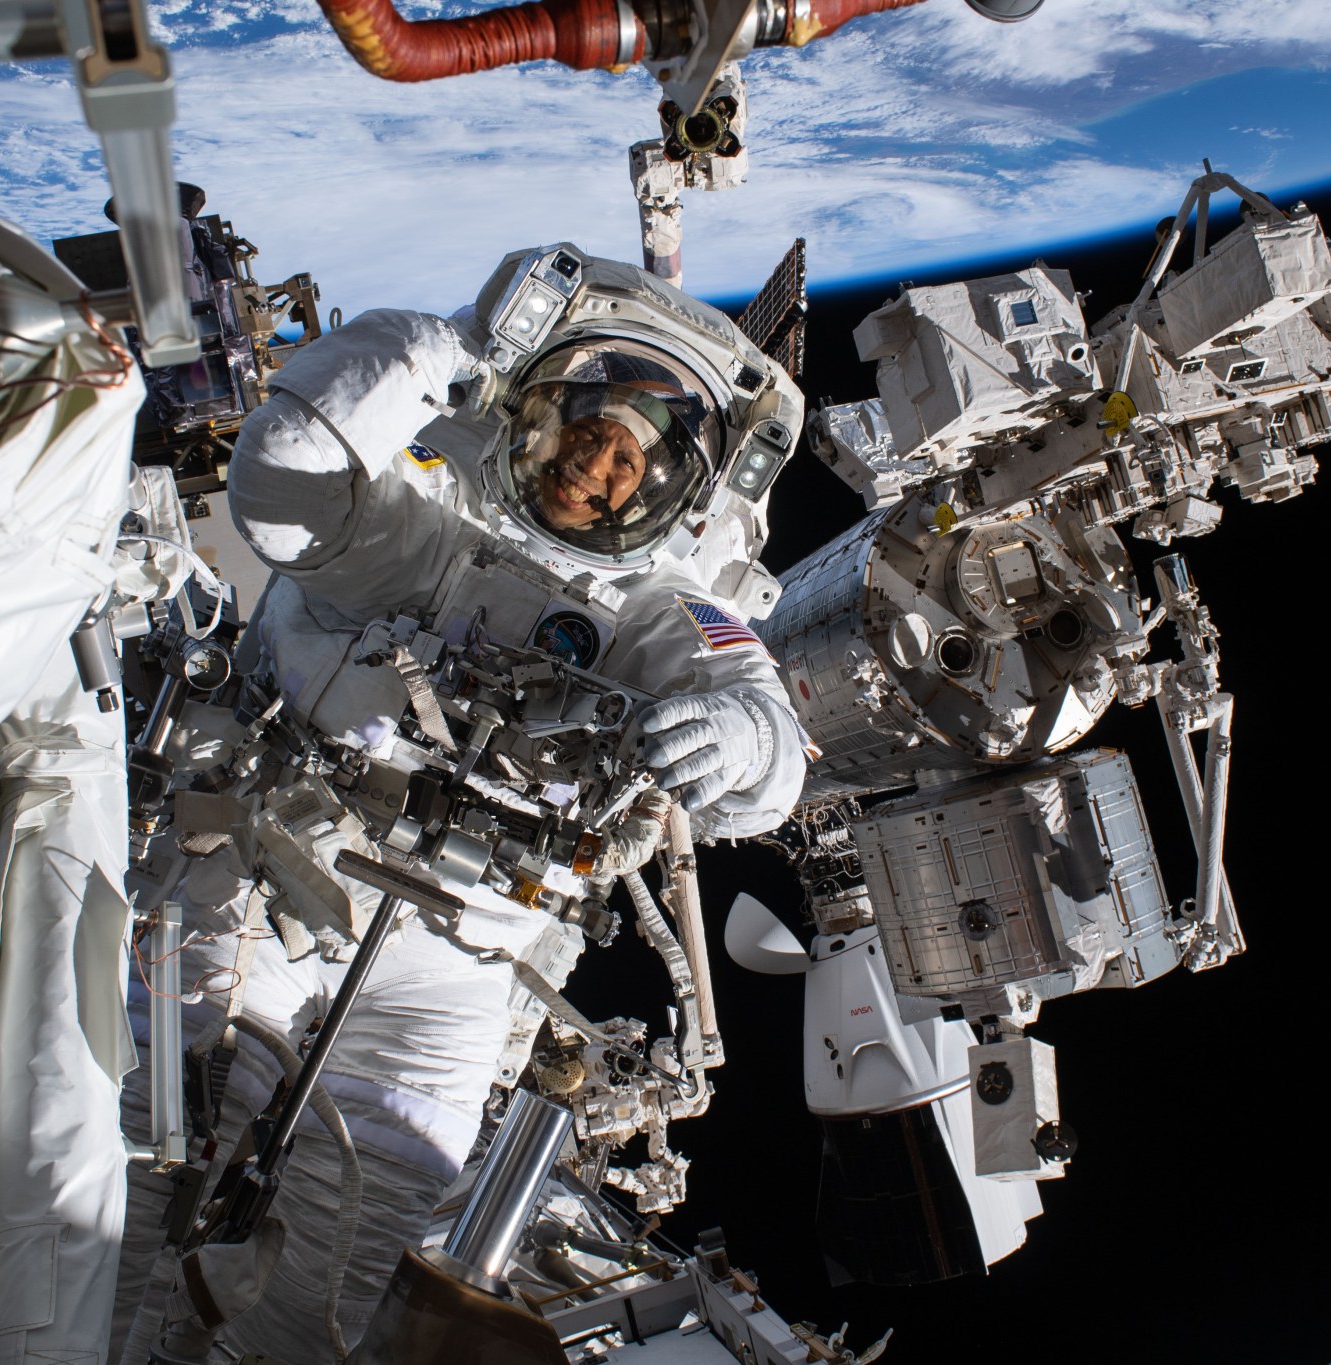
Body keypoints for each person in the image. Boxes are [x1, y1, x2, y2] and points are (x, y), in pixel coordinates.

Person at [109, 247, 808, 1362]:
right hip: (276, 873)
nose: (596, 470)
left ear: (673, 492)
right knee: (150, 1176)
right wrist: (437, 351)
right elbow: (283, 481)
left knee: (336, 1267)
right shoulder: (425, 527)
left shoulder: (661, 615)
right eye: (583, 434)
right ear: (527, 419)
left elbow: (771, 751)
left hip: (462, 957)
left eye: (630, 461)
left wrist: (736, 738)